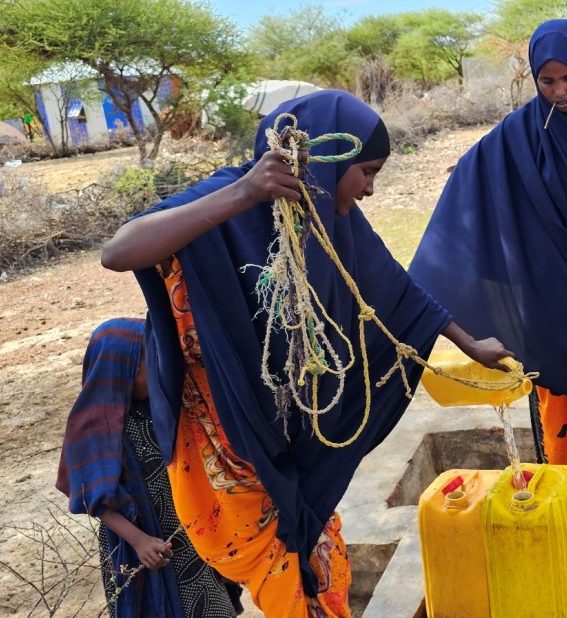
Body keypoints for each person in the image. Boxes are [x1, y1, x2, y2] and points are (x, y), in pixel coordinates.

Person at [101, 90, 512, 616]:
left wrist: (469, 342)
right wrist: (246, 194)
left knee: (313, 547)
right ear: (330, 161)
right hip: (229, 429)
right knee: (273, 557)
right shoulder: (231, 194)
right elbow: (119, 251)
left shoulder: (332, 223)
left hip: (293, 427)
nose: (369, 188)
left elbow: (397, 293)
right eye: (366, 171)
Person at [408, 19, 567, 495]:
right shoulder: (520, 133)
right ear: (534, 78)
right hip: (555, 305)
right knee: (564, 418)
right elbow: (471, 184)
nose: (559, 91)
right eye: (547, 80)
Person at [56, 318, 244, 617]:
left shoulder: (163, 409)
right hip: (137, 546)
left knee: (213, 608)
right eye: (149, 365)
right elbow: (89, 497)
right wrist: (138, 539)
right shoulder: (91, 426)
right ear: (121, 372)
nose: (158, 372)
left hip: (190, 536)